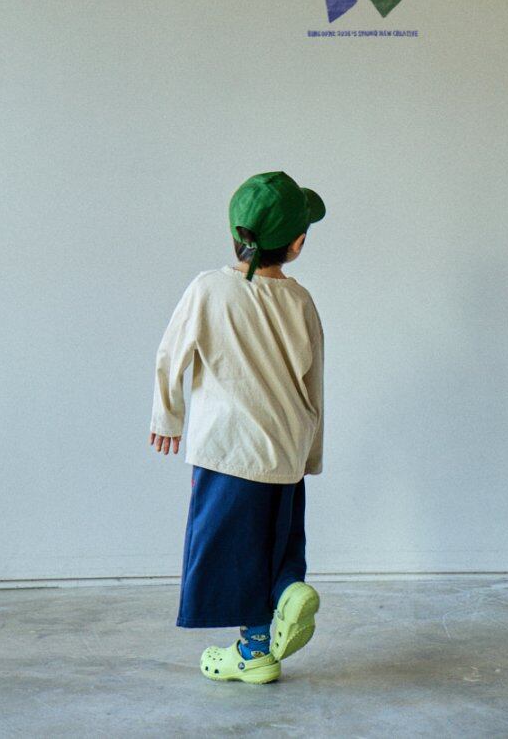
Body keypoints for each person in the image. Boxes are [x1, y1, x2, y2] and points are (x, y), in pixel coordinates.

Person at [148, 171, 326, 685]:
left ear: (235, 234)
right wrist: (309, 454)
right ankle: (287, 591)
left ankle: (253, 650)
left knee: (230, 553)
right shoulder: (301, 301)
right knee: (275, 542)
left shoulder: (209, 289)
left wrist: (167, 416)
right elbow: (313, 383)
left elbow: (171, 355)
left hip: (227, 451)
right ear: (296, 244)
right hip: (285, 451)